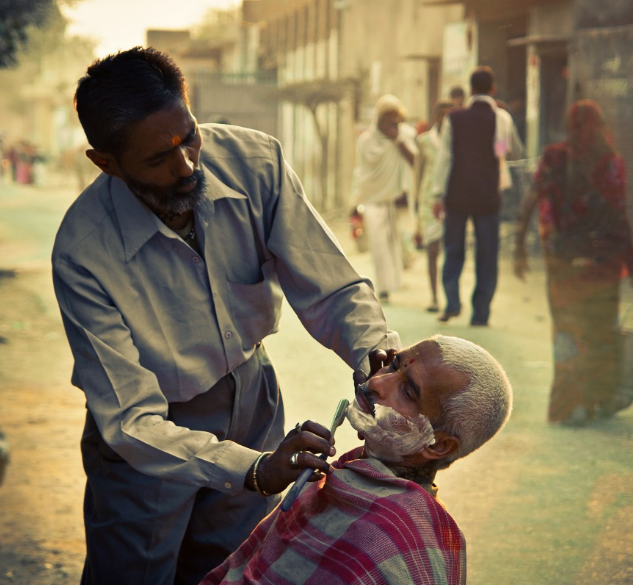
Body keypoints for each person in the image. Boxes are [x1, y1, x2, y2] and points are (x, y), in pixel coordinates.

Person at [51, 47, 400, 585]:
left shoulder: (256, 163)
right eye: (157, 159)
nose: (186, 164)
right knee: (134, 571)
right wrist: (254, 469)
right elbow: (131, 423)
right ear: (107, 162)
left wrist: (374, 357)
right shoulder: (84, 251)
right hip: (148, 443)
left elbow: (328, 286)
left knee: (231, 570)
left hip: (251, 398)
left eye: (188, 136)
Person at [201, 334, 513, 585]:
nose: (377, 382)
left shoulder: (400, 547)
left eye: (407, 391)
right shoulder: (343, 476)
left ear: (438, 445)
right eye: (393, 365)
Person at [513, 99, 633, 426]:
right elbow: (621, 220)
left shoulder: (570, 159)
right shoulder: (603, 163)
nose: (586, 133)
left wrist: (520, 246)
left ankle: (584, 403)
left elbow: (531, 202)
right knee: (589, 334)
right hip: (589, 268)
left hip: (574, 267)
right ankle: (589, 402)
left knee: (579, 334)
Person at [432, 67, 524, 326]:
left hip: (457, 195)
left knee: (453, 250)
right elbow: (511, 152)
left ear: (471, 89)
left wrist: (438, 195)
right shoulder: (501, 118)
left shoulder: (454, 118)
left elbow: (445, 159)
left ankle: (452, 301)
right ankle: (480, 312)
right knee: (487, 254)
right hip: (487, 196)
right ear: (492, 88)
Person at [350, 95, 418, 302]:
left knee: (395, 241)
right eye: (388, 116)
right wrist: (355, 201)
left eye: (396, 117)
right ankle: (384, 287)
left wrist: (397, 139)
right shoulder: (366, 140)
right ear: (380, 117)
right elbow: (363, 172)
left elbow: (414, 160)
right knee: (379, 243)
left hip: (396, 198)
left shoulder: (403, 135)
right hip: (372, 198)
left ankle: (393, 281)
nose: (393, 121)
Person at [414, 100, 453, 313]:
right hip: (428, 199)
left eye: (448, 115)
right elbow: (418, 174)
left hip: (451, 200)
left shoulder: (458, 139)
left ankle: (449, 297)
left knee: (450, 251)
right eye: (441, 114)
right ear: (435, 116)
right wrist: (415, 202)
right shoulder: (424, 141)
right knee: (432, 249)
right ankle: (434, 297)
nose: (444, 119)